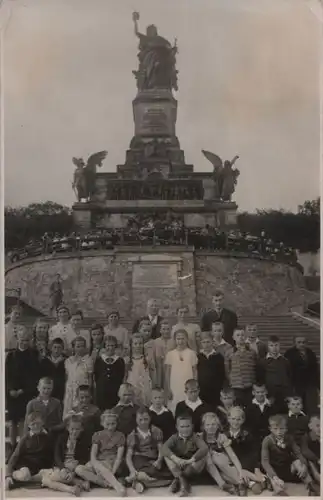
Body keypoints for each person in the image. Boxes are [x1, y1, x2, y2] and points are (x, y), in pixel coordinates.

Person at [261, 414, 319, 495]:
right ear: (270, 429)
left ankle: (310, 485)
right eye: (275, 429)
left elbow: (298, 452)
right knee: (270, 475)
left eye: (281, 429)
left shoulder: (289, 438)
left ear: (286, 429)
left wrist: (304, 465)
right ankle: (280, 491)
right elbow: (265, 462)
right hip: (275, 469)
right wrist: (274, 476)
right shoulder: (267, 440)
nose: (279, 432)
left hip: (287, 468)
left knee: (298, 462)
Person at [75, 410, 127, 496]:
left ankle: (116, 485)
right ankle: (106, 483)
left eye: (113, 424)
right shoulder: (97, 435)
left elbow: (119, 458)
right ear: (102, 423)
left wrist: (112, 472)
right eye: (107, 424)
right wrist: (96, 466)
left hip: (112, 463)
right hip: (99, 462)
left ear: (116, 423)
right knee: (79, 469)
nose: (110, 427)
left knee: (103, 467)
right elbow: (93, 456)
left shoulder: (120, 436)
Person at [5, 327, 40, 450]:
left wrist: (23, 390)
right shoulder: (11, 356)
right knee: (13, 421)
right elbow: (6, 375)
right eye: (21, 340)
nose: (24, 342)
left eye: (26, 340)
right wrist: (10, 390)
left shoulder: (33, 355)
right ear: (17, 339)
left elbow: (34, 376)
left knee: (25, 420)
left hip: (26, 392)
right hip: (12, 393)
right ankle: (12, 446)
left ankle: (23, 446)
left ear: (30, 340)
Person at [126, 406, 172, 493]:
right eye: (140, 419)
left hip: (153, 459)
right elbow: (128, 456)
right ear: (136, 419)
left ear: (150, 418)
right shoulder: (132, 435)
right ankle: (139, 475)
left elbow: (160, 448)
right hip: (139, 459)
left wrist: (159, 460)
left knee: (168, 474)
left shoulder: (156, 431)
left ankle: (139, 480)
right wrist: (132, 470)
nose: (143, 422)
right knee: (146, 468)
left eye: (146, 419)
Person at [5, 412, 54, 491]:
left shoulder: (46, 436)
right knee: (25, 476)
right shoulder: (25, 439)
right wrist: (8, 475)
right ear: (29, 425)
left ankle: (31, 479)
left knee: (50, 475)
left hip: (39, 466)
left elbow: (51, 453)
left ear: (43, 423)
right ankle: (12, 476)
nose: (36, 426)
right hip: (25, 464)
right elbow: (15, 456)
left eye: (38, 423)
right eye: (33, 424)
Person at [162, 414, 208, 496]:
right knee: (166, 456)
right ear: (177, 427)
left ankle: (179, 479)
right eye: (182, 427)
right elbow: (164, 447)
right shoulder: (174, 437)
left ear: (192, 426)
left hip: (191, 466)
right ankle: (183, 482)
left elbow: (204, 448)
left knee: (204, 456)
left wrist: (190, 460)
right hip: (179, 464)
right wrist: (176, 459)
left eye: (187, 426)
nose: (185, 429)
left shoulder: (195, 437)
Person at [225, 406, 266, 494]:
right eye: (233, 419)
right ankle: (252, 482)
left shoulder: (246, 434)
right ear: (228, 419)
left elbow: (252, 452)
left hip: (244, 461)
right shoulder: (224, 433)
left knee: (240, 469)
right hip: (230, 461)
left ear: (243, 420)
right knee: (226, 469)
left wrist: (256, 468)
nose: (235, 422)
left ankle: (245, 482)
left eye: (238, 419)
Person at [201, 412, 243, 495]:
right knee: (210, 455)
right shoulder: (200, 437)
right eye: (208, 424)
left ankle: (243, 480)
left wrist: (240, 471)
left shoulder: (221, 436)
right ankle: (222, 484)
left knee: (234, 473)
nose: (211, 427)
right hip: (206, 468)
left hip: (222, 467)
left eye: (213, 424)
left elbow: (232, 456)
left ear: (217, 426)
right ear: (204, 426)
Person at [49, 415, 92, 494]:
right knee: (53, 477)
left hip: (75, 465)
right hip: (63, 464)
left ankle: (72, 484)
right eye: (72, 429)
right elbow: (57, 455)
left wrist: (73, 473)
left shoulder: (83, 440)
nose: (74, 432)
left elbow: (84, 459)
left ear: (82, 429)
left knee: (52, 479)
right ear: (67, 428)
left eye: (77, 429)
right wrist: (62, 468)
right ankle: (79, 483)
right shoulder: (61, 438)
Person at [164, 329, 198, 414]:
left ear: (187, 339)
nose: (180, 341)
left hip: (188, 386)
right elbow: (167, 373)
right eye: (178, 339)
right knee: (174, 409)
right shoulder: (170, 354)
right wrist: (168, 388)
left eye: (183, 338)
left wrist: (195, 386)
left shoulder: (191, 353)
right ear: (175, 340)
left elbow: (195, 371)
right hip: (174, 386)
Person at [284, 336, 319, 414]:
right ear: (294, 343)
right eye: (299, 342)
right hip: (296, 384)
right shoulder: (289, 353)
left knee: (311, 406)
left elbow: (315, 369)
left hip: (310, 384)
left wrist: (318, 385)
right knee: (298, 407)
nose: (301, 344)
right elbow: (287, 370)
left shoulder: (310, 353)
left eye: (303, 342)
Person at [63, 336, 94, 419]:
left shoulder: (88, 360)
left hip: (82, 389)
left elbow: (90, 377)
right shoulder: (68, 361)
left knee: (80, 411)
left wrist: (89, 390)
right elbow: (67, 377)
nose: (80, 348)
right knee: (69, 411)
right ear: (73, 347)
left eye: (82, 346)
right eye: (78, 346)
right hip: (70, 389)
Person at [260, 335, 291, 413]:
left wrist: (288, 394)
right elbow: (260, 379)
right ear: (268, 347)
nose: (274, 348)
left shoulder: (285, 361)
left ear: (280, 346)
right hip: (270, 393)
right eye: (271, 345)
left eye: (276, 345)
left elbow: (289, 377)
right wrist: (266, 395)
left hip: (283, 393)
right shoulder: (263, 362)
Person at [94, 335, 125, 411]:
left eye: (112, 345)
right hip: (102, 391)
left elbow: (121, 376)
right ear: (104, 346)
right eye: (108, 345)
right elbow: (96, 376)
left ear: (116, 347)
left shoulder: (120, 361)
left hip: (115, 391)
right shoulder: (98, 360)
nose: (110, 348)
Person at [228, 329, 258, 407]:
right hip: (236, 387)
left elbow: (256, 368)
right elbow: (227, 370)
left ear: (245, 336)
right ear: (233, 337)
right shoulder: (229, 352)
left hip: (250, 386)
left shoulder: (252, 352)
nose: (240, 337)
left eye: (242, 335)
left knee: (250, 409)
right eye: (238, 335)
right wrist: (232, 381)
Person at [197, 331, 226, 407]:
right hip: (201, 390)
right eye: (204, 342)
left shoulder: (218, 357)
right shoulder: (198, 357)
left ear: (212, 342)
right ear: (201, 343)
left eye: (208, 342)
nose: (206, 345)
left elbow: (222, 375)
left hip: (215, 391)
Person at [126, 334, 154, 406]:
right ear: (131, 345)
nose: (138, 345)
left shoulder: (148, 359)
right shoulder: (127, 360)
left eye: (140, 343)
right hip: (132, 387)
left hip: (145, 389)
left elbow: (152, 375)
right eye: (135, 343)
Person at [245, 384, 276, 449]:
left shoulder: (271, 407)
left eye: (262, 392)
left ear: (266, 392)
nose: (260, 394)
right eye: (258, 392)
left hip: (269, 436)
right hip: (254, 438)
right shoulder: (248, 406)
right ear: (253, 392)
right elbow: (247, 423)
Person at [301, 414, 320, 487]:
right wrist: (317, 459)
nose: (321, 428)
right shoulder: (307, 437)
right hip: (314, 461)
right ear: (310, 426)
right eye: (318, 426)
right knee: (311, 463)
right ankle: (318, 478)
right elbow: (305, 450)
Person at [153, 319, 173, 388]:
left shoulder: (174, 341)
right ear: (160, 330)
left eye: (168, 329)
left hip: (172, 370)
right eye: (164, 329)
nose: (166, 331)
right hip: (160, 369)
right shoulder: (156, 342)